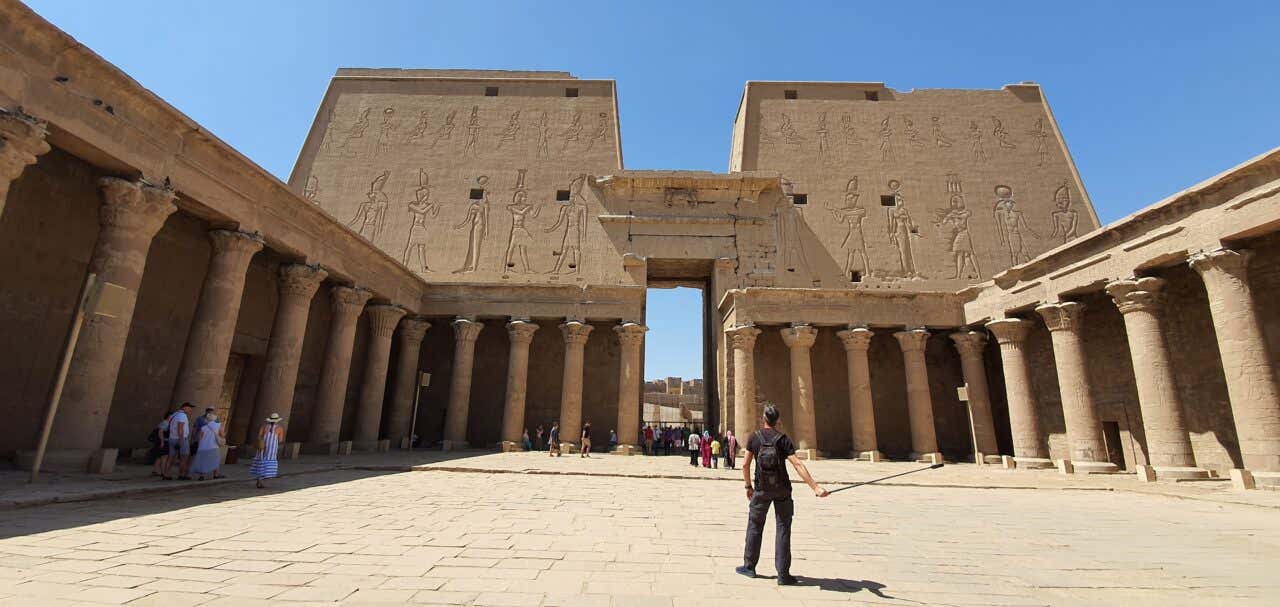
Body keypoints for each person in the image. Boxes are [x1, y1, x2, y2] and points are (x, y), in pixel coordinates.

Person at [736, 404, 829, 585]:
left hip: (761, 489)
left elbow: (745, 464)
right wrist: (815, 487)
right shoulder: (783, 439)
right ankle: (783, 574)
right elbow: (798, 465)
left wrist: (748, 486)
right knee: (783, 529)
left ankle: (749, 566)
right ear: (777, 420)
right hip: (782, 489)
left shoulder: (754, 438)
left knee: (755, 526)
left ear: (764, 418)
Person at [250, 413, 285, 489]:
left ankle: (259, 479)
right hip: (272, 448)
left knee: (261, 460)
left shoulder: (264, 426)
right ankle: (262, 479)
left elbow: (259, 436)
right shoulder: (280, 428)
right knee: (268, 461)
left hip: (262, 446)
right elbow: (280, 440)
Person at [190, 410, 225, 481]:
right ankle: (215, 474)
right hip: (213, 446)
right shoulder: (219, 425)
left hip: (203, 447)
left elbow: (200, 438)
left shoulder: (204, 427)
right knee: (216, 460)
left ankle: (202, 476)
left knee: (203, 461)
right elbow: (222, 434)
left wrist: (199, 446)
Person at [163, 402, 194, 480]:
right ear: (184, 407)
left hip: (172, 438)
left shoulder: (174, 414)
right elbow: (180, 429)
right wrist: (181, 441)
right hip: (181, 439)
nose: (190, 410)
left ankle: (165, 474)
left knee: (171, 457)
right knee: (184, 457)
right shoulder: (182, 416)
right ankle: (181, 474)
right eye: (189, 408)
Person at [150, 408, 172, 476]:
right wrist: (162, 441)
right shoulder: (165, 423)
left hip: (162, 441)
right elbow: (160, 432)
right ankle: (163, 472)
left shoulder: (165, 422)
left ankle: (155, 471)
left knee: (159, 457)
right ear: (169, 416)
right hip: (164, 441)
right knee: (164, 457)